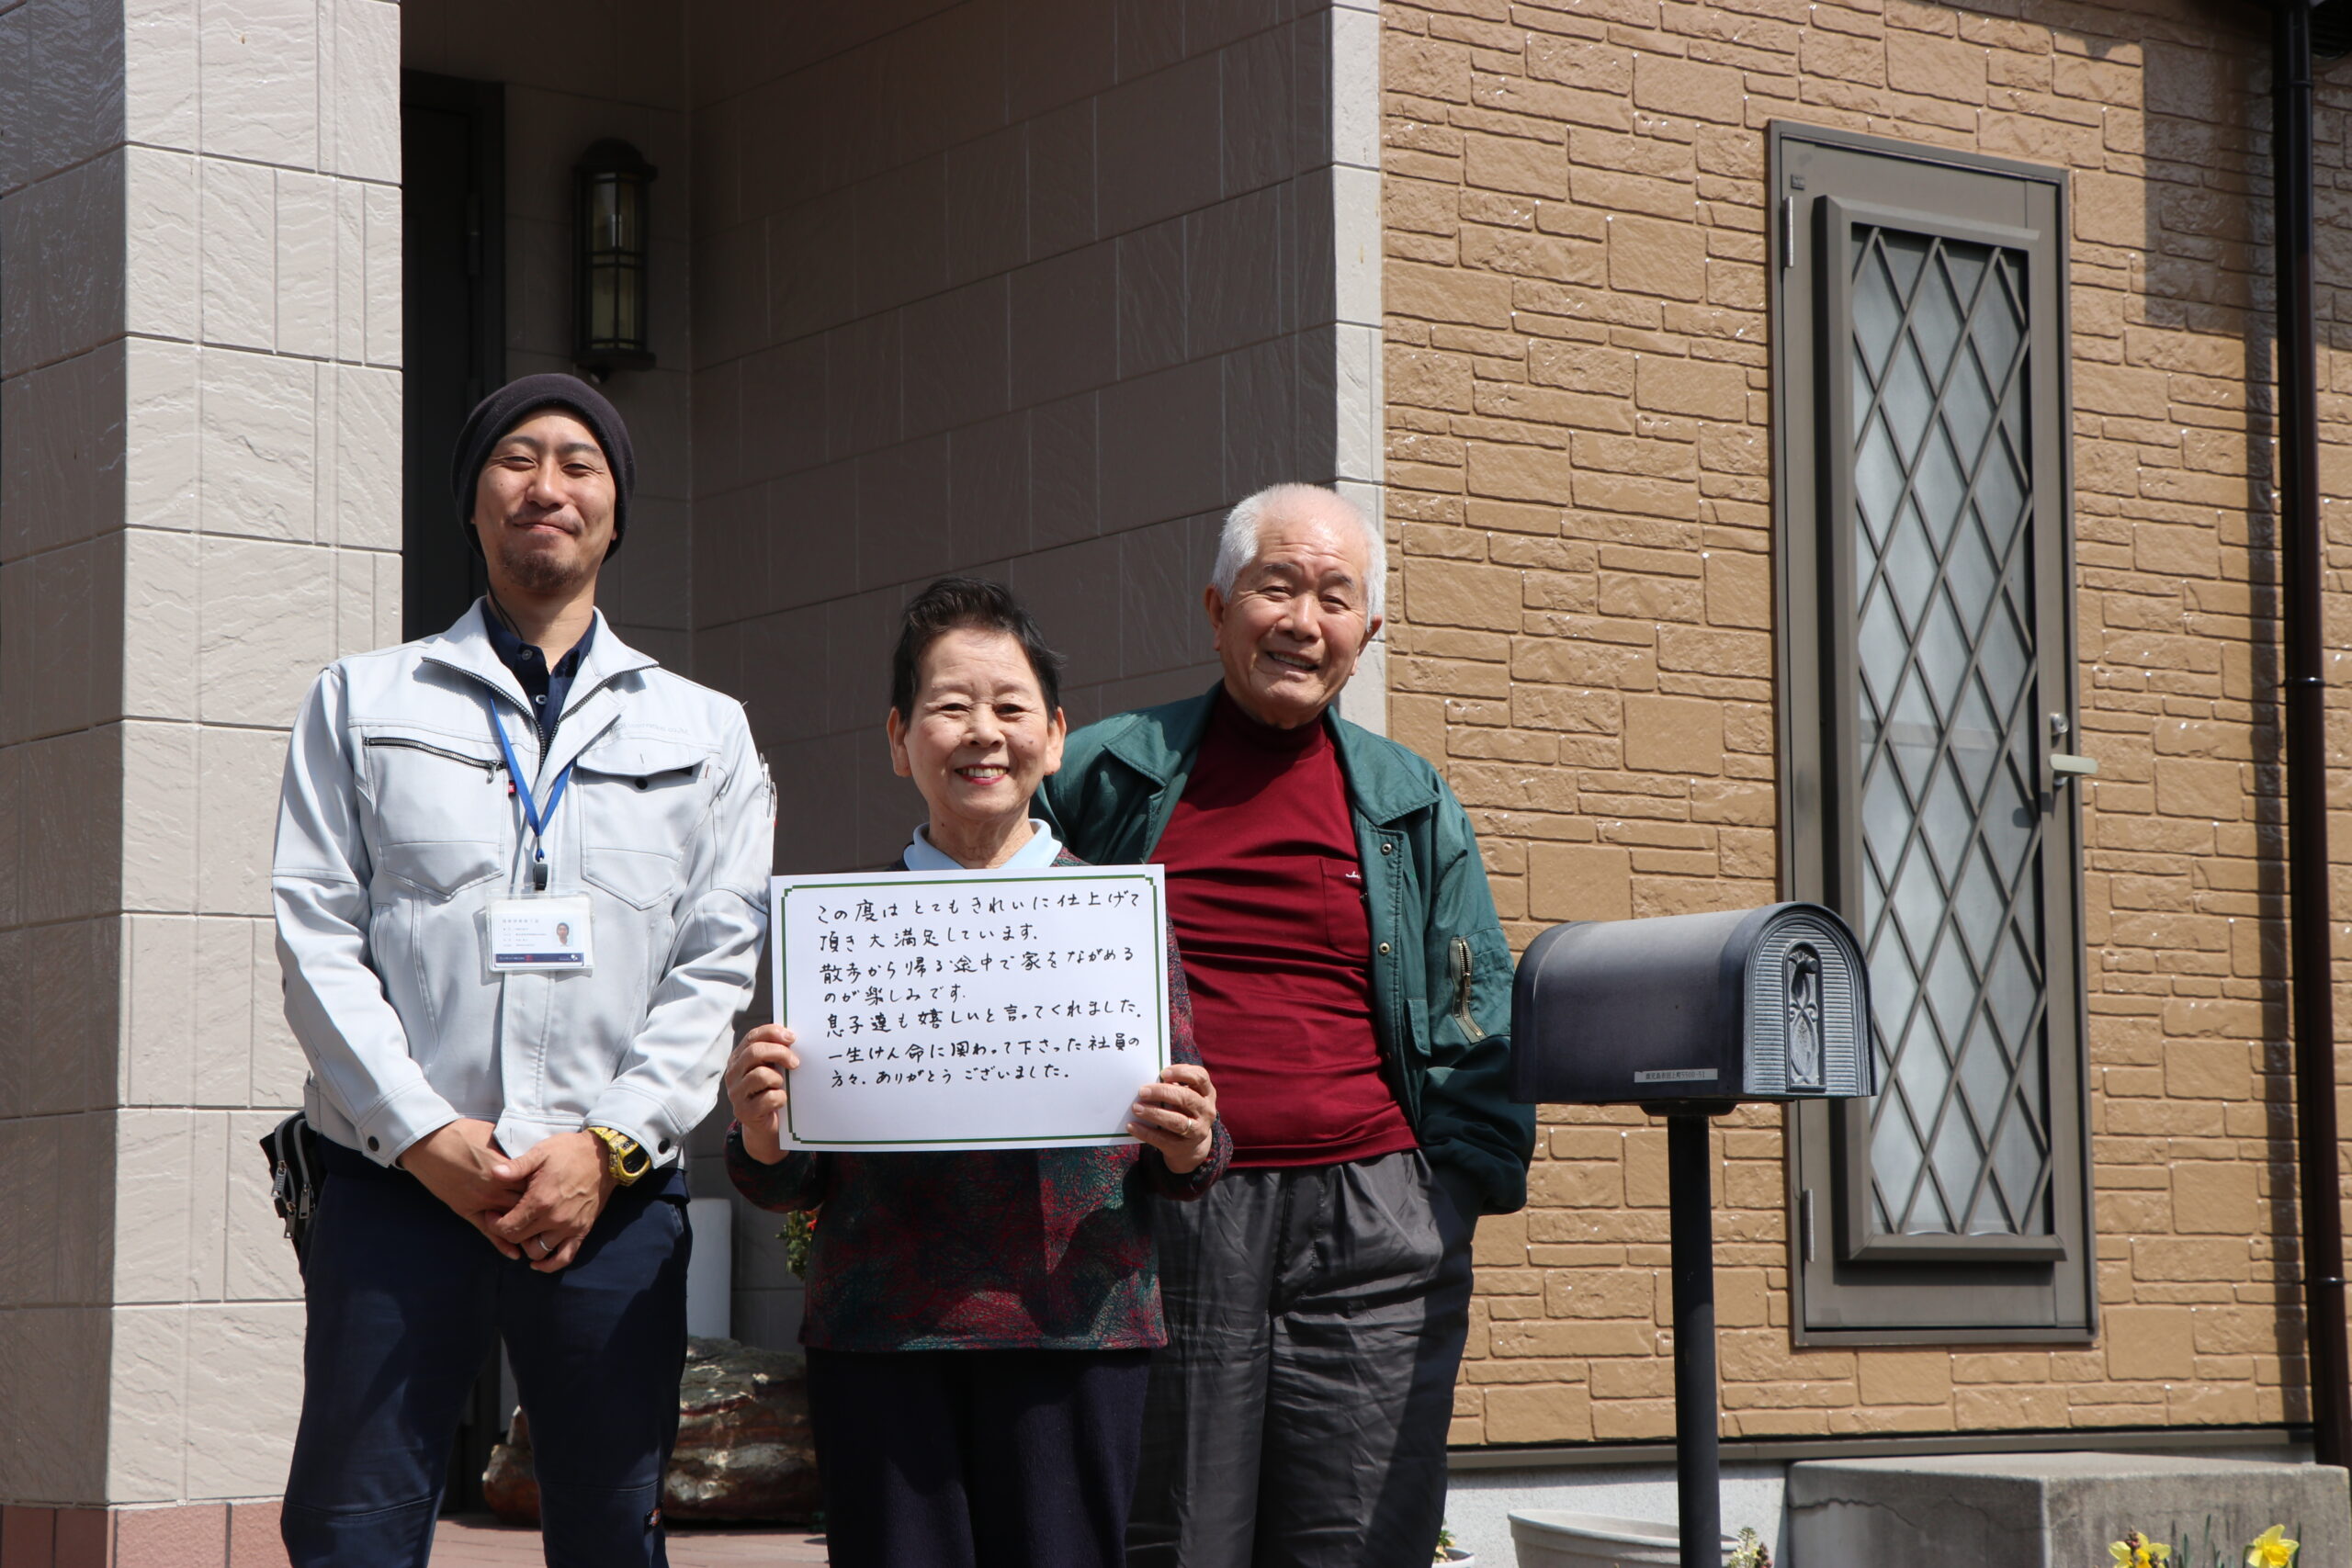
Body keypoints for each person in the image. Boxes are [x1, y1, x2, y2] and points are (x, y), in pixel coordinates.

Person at [271, 374, 774, 1566]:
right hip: (395, 1182)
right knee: (353, 1529)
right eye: (516, 459)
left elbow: (716, 963)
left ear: (615, 511)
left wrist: (605, 1149)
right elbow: (315, 933)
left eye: (579, 462)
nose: (546, 484)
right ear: (474, 503)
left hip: (606, 1192)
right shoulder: (360, 701)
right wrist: (425, 1135)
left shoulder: (704, 730)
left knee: (612, 1526)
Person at [1042, 483, 1534, 1567]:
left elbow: (1473, 1009)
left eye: (1333, 596)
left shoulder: (1409, 798)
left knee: (1356, 1534)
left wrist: (1446, 1196)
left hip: (1371, 1216)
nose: (1302, 621)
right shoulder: (1109, 772)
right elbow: (978, 883)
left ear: (1368, 632)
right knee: (1176, 1530)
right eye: (1275, 586)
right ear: (1215, 607)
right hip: (1171, 1209)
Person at [722, 577, 1230, 1568]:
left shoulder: (1116, 915)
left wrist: (1191, 1137)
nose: (981, 733)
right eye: (950, 707)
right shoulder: (841, 931)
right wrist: (759, 1132)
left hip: (1075, 1326)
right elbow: (791, 1172)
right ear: (899, 739)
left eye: (1009, 707)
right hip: (883, 1337)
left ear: (1053, 737)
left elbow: (1192, 1147)